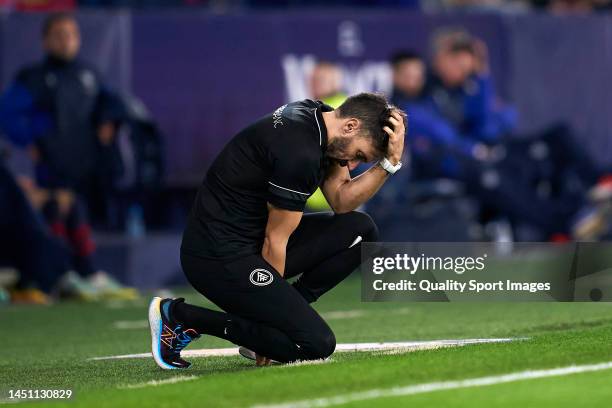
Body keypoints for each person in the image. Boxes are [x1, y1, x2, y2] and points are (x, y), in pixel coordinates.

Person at [148, 93, 406, 369]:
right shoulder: (300, 153)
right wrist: (270, 321)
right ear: (350, 126)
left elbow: (342, 201)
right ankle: (179, 316)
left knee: (361, 231)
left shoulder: (320, 117)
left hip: (250, 241)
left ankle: (274, 320)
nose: (352, 165)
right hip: (216, 256)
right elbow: (275, 240)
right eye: (358, 155)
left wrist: (388, 164)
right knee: (316, 345)